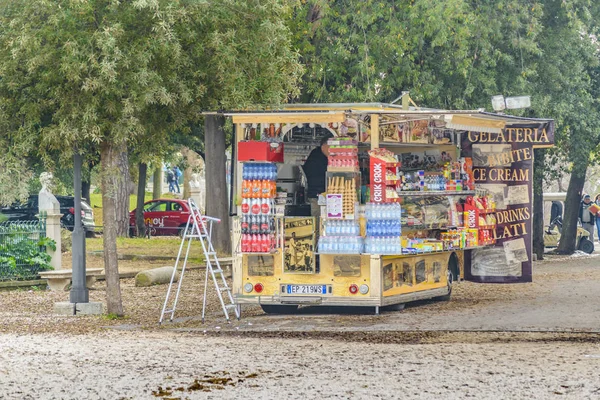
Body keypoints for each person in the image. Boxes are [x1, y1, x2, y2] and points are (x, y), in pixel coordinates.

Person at [302, 133, 333, 217]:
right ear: (323, 146)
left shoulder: (321, 156)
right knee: (318, 218)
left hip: (322, 194)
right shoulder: (316, 157)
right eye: (331, 146)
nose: (333, 149)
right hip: (317, 195)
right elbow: (318, 176)